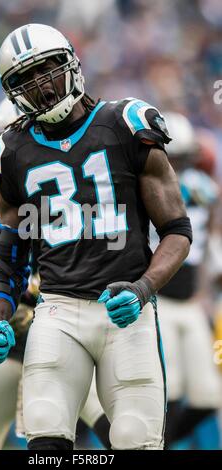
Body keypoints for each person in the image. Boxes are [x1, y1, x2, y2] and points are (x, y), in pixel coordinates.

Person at [0, 24, 192, 450]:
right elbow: (6, 257)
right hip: (58, 310)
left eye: (47, 70)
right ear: (11, 92)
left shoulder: (126, 124)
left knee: (135, 437)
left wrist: (143, 287)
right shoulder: (12, 151)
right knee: (45, 434)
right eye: (25, 80)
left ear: (72, 64)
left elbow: (177, 231)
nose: (41, 87)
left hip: (126, 308)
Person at [0, 97, 110, 450]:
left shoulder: (87, 177)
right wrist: (11, 308)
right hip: (7, 345)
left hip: (74, 338)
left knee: (123, 432)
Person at [150, 112, 221, 448]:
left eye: (182, 158)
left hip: (190, 302)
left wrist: (205, 293)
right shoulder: (145, 187)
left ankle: (157, 444)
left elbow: (205, 243)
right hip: (159, 300)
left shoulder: (204, 189)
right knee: (171, 390)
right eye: (172, 158)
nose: (177, 165)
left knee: (209, 395)